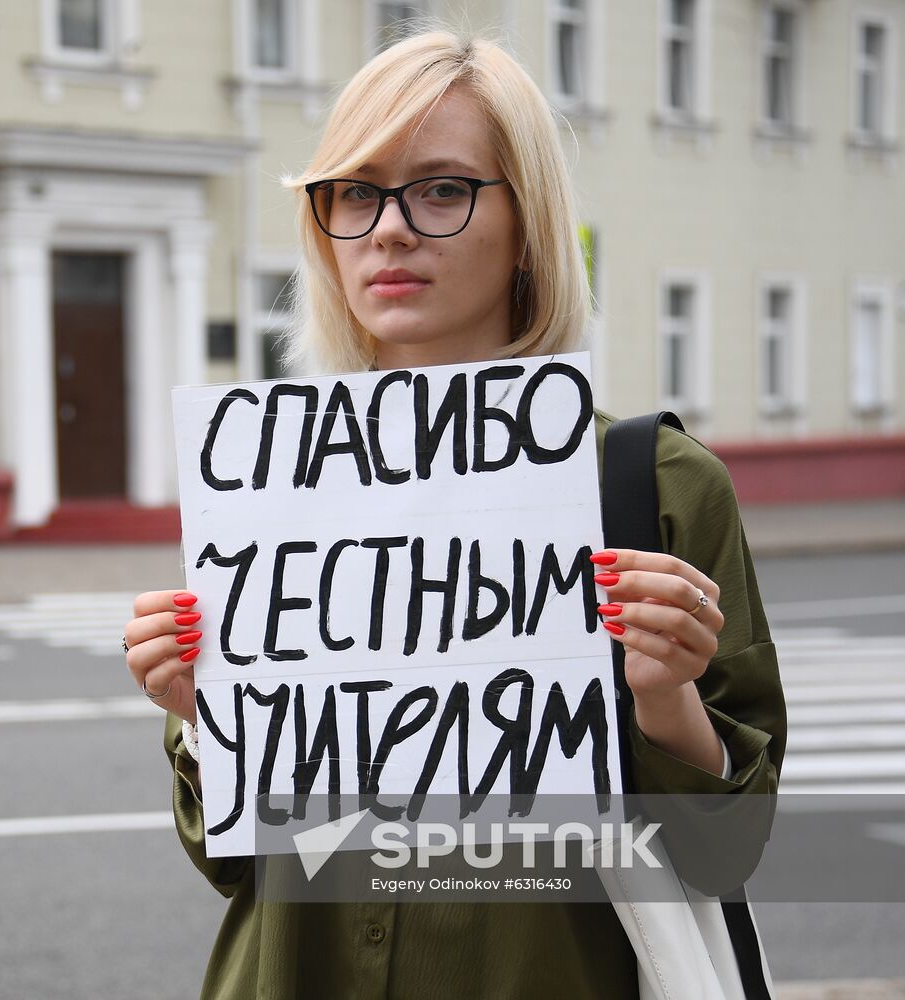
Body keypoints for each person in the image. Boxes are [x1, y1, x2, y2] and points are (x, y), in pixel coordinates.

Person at [122, 27, 786, 999]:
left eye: (442, 188)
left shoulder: (656, 485)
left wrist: (664, 701)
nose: (388, 228)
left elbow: (728, 851)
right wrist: (204, 720)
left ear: (529, 224)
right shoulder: (269, 482)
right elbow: (237, 867)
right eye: (355, 191)